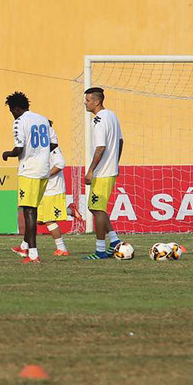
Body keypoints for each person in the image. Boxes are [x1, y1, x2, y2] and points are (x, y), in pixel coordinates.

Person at [1, 92, 57, 264]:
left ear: (16, 108)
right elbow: (54, 144)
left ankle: (33, 254)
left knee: (29, 211)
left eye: (12, 110)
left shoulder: (19, 121)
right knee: (33, 209)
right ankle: (25, 246)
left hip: (29, 170)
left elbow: (19, 148)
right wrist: (40, 150)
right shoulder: (43, 119)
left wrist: (7, 154)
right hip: (44, 169)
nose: (12, 114)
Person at [83, 87, 124, 260]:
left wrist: (91, 170)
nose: (85, 103)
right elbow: (121, 141)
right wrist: (116, 161)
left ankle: (100, 250)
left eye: (88, 100)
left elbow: (101, 147)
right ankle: (114, 242)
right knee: (95, 208)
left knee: (97, 209)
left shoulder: (99, 120)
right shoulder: (112, 115)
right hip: (110, 169)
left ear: (96, 101)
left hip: (102, 172)